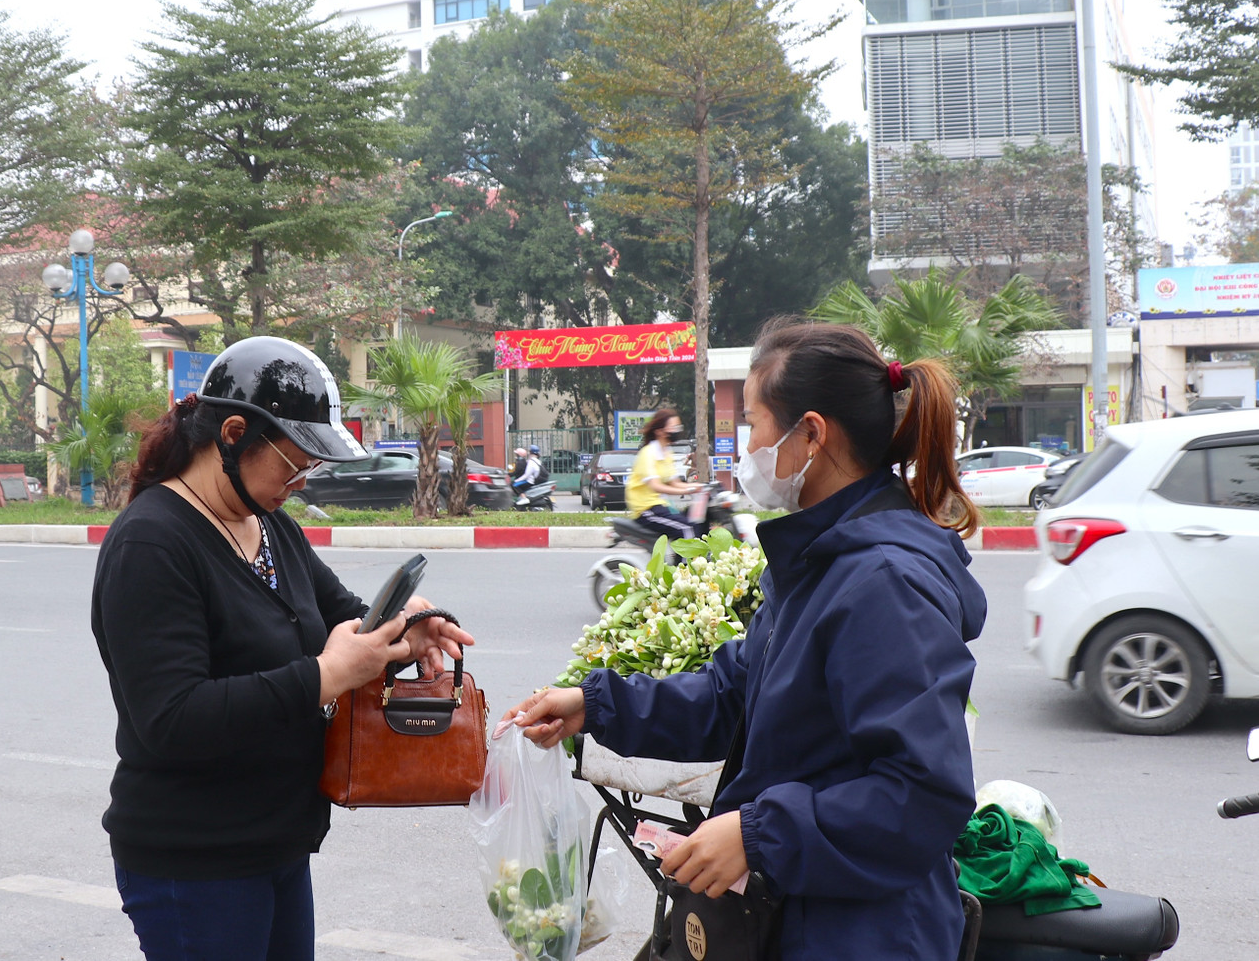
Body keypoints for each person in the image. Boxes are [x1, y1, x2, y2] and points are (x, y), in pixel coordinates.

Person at [508, 320, 986, 960]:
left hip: (864, 935)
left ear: (811, 434)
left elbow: (922, 793)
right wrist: (595, 705)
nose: (748, 446)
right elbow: (733, 695)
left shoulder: (883, 583)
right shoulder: (819, 560)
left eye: (756, 423)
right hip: (793, 913)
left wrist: (760, 835)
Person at [91, 336, 473, 961]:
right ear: (234, 434)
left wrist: (406, 630)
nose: (299, 482)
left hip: (277, 844)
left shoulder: (271, 527)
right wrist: (324, 676)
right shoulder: (153, 544)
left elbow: (343, 616)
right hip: (195, 861)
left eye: (310, 470)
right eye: (292, 463)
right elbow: (172, 719)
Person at [624, 408, 707, 539]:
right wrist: (688, 490)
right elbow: (656, 486)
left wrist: (700, 487)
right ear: (659, 431)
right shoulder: (648, 453)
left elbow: (675, 483)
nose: (677, 431)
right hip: (645, 509)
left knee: (695, 524)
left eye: (679, 427)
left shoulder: (666, 452)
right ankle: (687, 560)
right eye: (673, 427)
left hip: (660, 505)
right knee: (686, 530)